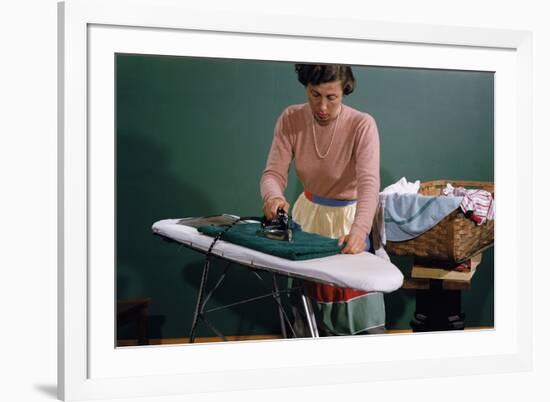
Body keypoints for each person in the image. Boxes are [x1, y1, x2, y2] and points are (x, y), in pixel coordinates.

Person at [260, 64, 385, 336]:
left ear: (345, 91)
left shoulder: (362, 124)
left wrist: (360, 231)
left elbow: (369, 183)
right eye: (315, 95)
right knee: (308, 313)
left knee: (356, 314)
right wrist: (273, 197)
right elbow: (273, 173)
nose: (323, 107)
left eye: (332, 97)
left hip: (350, 219)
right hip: (309, 219)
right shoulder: (291, 119)